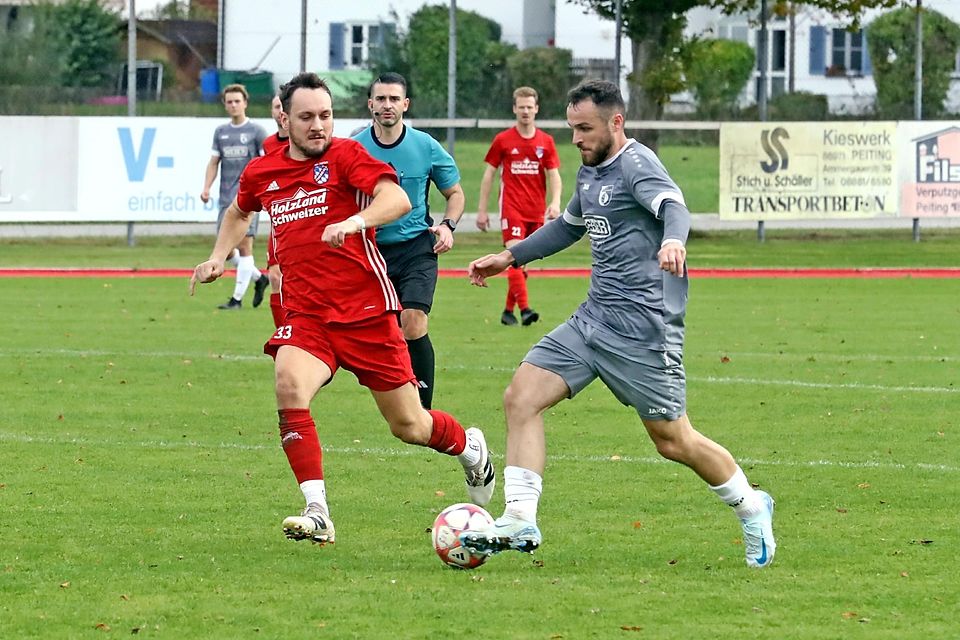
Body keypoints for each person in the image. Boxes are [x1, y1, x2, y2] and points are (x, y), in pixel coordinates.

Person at [461, 80, 776, 569]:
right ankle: (520, 517)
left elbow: (674, 207)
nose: (577, 139)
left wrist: (674, 242)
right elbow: (568, 226)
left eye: (585, 128)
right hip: (592, 320)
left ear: (616, 122)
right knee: (520, 397)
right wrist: (510, 256)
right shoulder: (590, 172)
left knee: (674, 440)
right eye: (571, 129)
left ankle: (753, 506)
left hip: (643, 331)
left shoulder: (636, 163)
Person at [189, 72, 494, 545]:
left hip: (367, 314)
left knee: (410, 425)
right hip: (308, 317)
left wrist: (356, 220)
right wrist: (216, 257)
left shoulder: (349, 156)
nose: (318, 126)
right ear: (284, 118)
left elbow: (395, 198)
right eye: (307, 117)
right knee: (289, 383)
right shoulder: (263, 171)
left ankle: (470, 447)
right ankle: (318, 510)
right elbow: (238, 212)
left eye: (326, 116)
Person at [352, 72, 466, 410]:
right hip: (371, 251)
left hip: (418, 247)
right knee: (381, 332)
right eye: (381, 99)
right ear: (370, 103)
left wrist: (447, 226)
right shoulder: (354, 147)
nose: (387, 105)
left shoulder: (425, 145)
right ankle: (398, 396)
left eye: (393, 99)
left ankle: (424, 409)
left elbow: (455, 193)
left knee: (413, 320)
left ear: (405, 104)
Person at [476, 86, 562, 327]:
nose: (525, 111)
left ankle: (507, 312)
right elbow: (488, 175)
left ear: (536, 109)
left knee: (521, 262)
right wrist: (482, 210)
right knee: (514, 256)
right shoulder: (503, 140)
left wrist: (555, 203)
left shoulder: (546, 141)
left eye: (529, 107)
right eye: (521, 107)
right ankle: (525, 310)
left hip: (536, 211)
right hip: (512, 210)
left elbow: (554, 175)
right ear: (515, 109)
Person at [200, 83, 270, 310]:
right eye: (229, 101)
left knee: (244, 246)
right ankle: (259, 278)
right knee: (227, 251)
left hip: (248, 200)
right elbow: (213, 162)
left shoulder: (256, 131)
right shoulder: (221, 132)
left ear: (245, 103)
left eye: (237, 101)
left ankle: (237, 300)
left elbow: (266, 164)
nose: (233, 105)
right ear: (224, 104)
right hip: (225, 200)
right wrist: (206, 187)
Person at [262, 93, 289, 327]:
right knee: (276, 277)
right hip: (280, 222)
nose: (280, 111)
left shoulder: (306, 142)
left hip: (307, 217)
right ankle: (283, 334)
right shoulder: (268, 145)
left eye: (283, 106)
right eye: (276, 106)